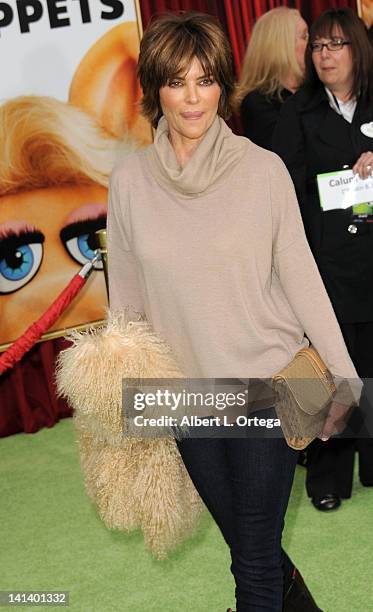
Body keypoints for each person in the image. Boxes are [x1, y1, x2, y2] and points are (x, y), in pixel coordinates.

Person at [107, 12, 359, 612]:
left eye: (205, 80)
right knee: (252, 548)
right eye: (177, 82)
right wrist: (132, 403)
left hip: (269, 389)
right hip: (187, 396)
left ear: (222, 86)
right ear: (155, 90)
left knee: (252, 568)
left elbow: (303, 281)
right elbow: (127, 306)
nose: (193, 98)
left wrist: (344, 379)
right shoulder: (129, 183)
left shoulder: (261, 171)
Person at [273, 7, 373, 512]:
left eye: (337, 44)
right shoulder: (299, 110)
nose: (326, 54)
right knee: (334, 370)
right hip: (325, 262)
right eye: (317, 46)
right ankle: (328, 478)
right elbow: (282, 188)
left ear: (359, 49)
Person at [234, 7, 308, 150]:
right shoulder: (257, 103)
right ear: (282, 46)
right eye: (304, 37)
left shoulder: (315, 90)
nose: (312, 44)